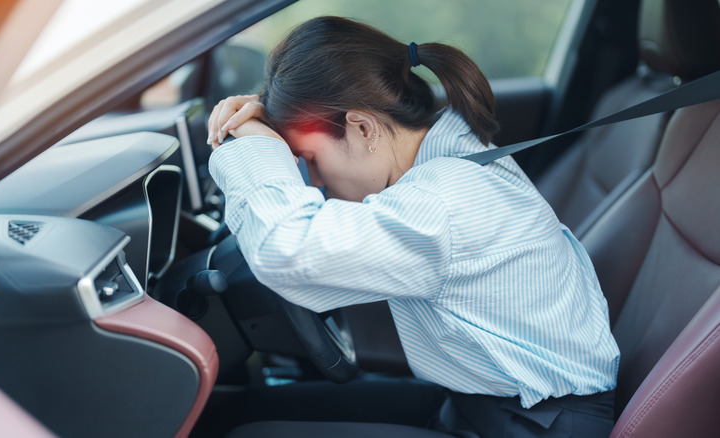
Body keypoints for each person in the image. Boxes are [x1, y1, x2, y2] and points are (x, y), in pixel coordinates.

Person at [207, 16, 620, 438]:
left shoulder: (442, 202)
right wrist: (275, 122)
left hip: (535, 426)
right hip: (481, 401)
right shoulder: (446, 154)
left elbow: (286, 252)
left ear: (363, 127)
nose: (312, 181)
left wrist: (257, 148)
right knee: (240, 413)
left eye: (309, 158)